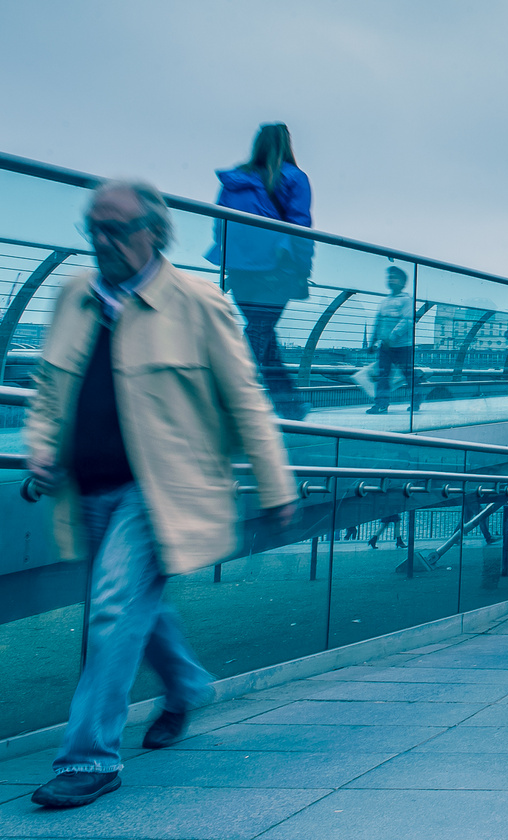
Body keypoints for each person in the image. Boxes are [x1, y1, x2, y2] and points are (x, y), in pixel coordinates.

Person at [25, 180, 297, 809]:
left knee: (115, 607)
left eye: (115, 227)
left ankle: (90, 759)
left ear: (155, 231)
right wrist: (40, 444)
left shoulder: (198, 302)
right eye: (92, 226)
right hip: (85, 487)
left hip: (161, 491)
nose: (101, 239)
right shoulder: (72, 296)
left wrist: (276, 484)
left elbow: (246, 398)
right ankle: (184, 684)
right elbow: (47, 387)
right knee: (129, 604)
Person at [204, 123, 313, 420]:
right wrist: (303, 267)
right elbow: (300, 226)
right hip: (278, 268)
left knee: (261, 331)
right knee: (260, 332)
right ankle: (228, 398)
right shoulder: (293, 177)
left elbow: (219, 223)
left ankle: (288, 403)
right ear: (287, 144)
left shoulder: (234, 180)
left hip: (240, 269)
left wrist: (231, 259)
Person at [366, 266, 416, 414]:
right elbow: (378, 322)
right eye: (389, 277)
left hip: (403, 346)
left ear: (403, 282)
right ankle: (381, 404)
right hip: (385, 347)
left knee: (407, 374)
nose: (390, 280)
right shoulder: (384, 302)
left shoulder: (407, 300)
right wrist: (372, 342)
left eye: (394, 277)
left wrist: (392, 337)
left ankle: (416, 399)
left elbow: (407, 321)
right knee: (383, 375)